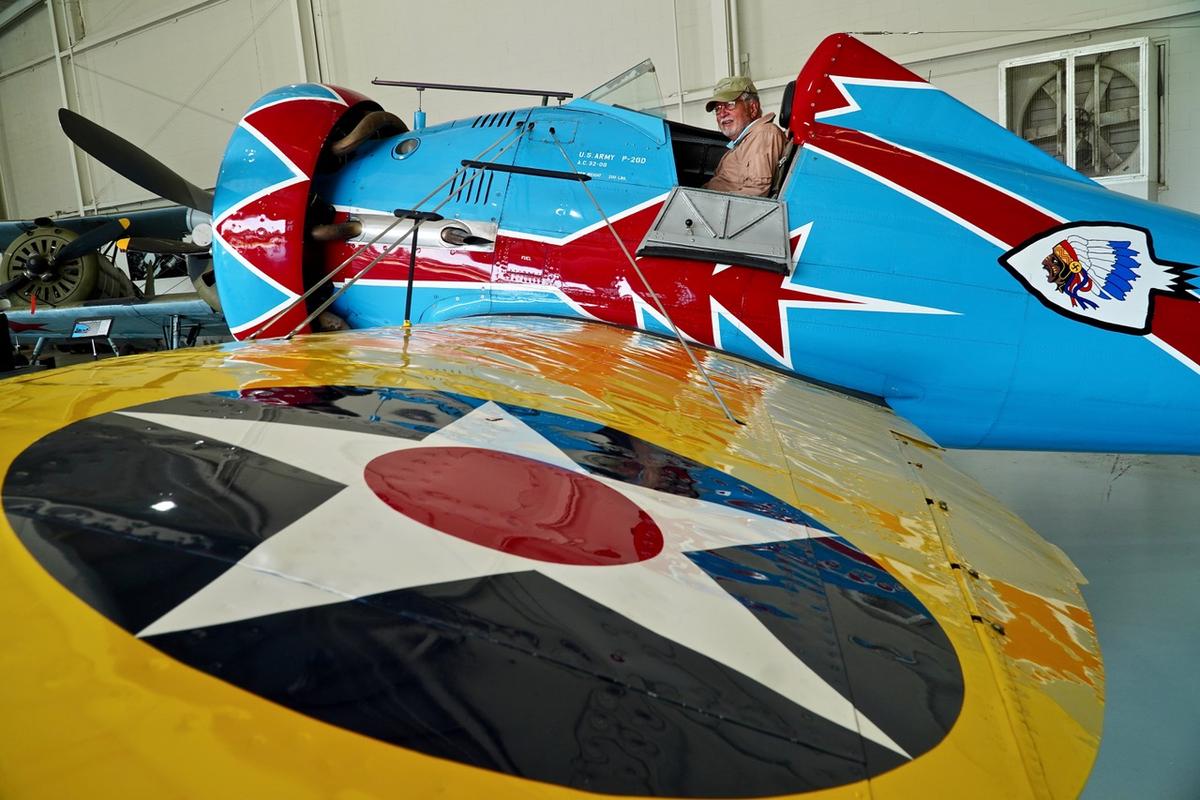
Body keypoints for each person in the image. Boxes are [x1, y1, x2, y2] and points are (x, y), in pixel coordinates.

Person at [702, 76, 787, 197]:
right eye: (718, 108)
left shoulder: (763, 134)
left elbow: (756, 192)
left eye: (729, 105)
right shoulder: (744, 142)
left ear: (752, 108)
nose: (722, 113)